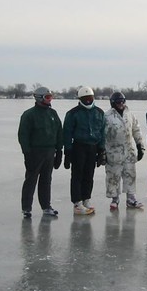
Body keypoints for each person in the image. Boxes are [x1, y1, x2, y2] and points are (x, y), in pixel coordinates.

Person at [18, 87, 63, 219]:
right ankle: (26, 208)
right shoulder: (29, 115)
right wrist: (27, 153)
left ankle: (46, 206)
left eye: (51, 97)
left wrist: (59, 151)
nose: (50, 100)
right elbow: (23, 135)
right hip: (35, 152)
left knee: (46, 180)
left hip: (50, 151)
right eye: (47, 97)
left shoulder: (53, 114)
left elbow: (59, 132)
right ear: (39, 98)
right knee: (31, 180)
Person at [63, 86, 106, 215]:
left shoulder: (99, 112)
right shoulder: (73, 113)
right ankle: (77, 202)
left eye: (90, 98)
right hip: (78, 147)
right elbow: (67, 133)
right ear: (80, 99)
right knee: (77, 175)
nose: (88, 101)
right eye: (85, 99)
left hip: (93, 147)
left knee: (89, 175)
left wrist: (101, 149)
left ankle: (86, 198)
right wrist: (68, 151)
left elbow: (102, 132)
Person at [104, 91, 145, 210]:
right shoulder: (107, 116)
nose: (121, 104)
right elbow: (103, 135)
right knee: (113, 176)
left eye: (122, 101)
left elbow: (136, 130)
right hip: (113, 152)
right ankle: (115, 199)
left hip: (128, 151)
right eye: (118, 102)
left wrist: (139, 145)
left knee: (130, 174)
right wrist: (101, 151)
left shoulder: (130, 114)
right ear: (113, 103)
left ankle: (131, 198)